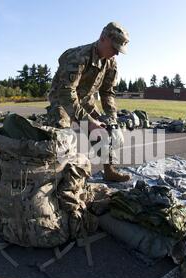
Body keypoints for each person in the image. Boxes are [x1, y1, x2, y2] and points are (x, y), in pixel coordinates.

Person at [47, 22, 131, 182]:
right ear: (103, 39)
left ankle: (109, 170)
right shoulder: (77, 56)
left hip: (85, 100)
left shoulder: (111, 62)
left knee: (105, 130)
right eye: (114, 48)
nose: (116, 53)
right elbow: (66, 93)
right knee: (60, 138)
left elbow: (107, 92)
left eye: (119, 50)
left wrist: (111, 117)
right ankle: (55, 180)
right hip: (62, 99)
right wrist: (88, 121)